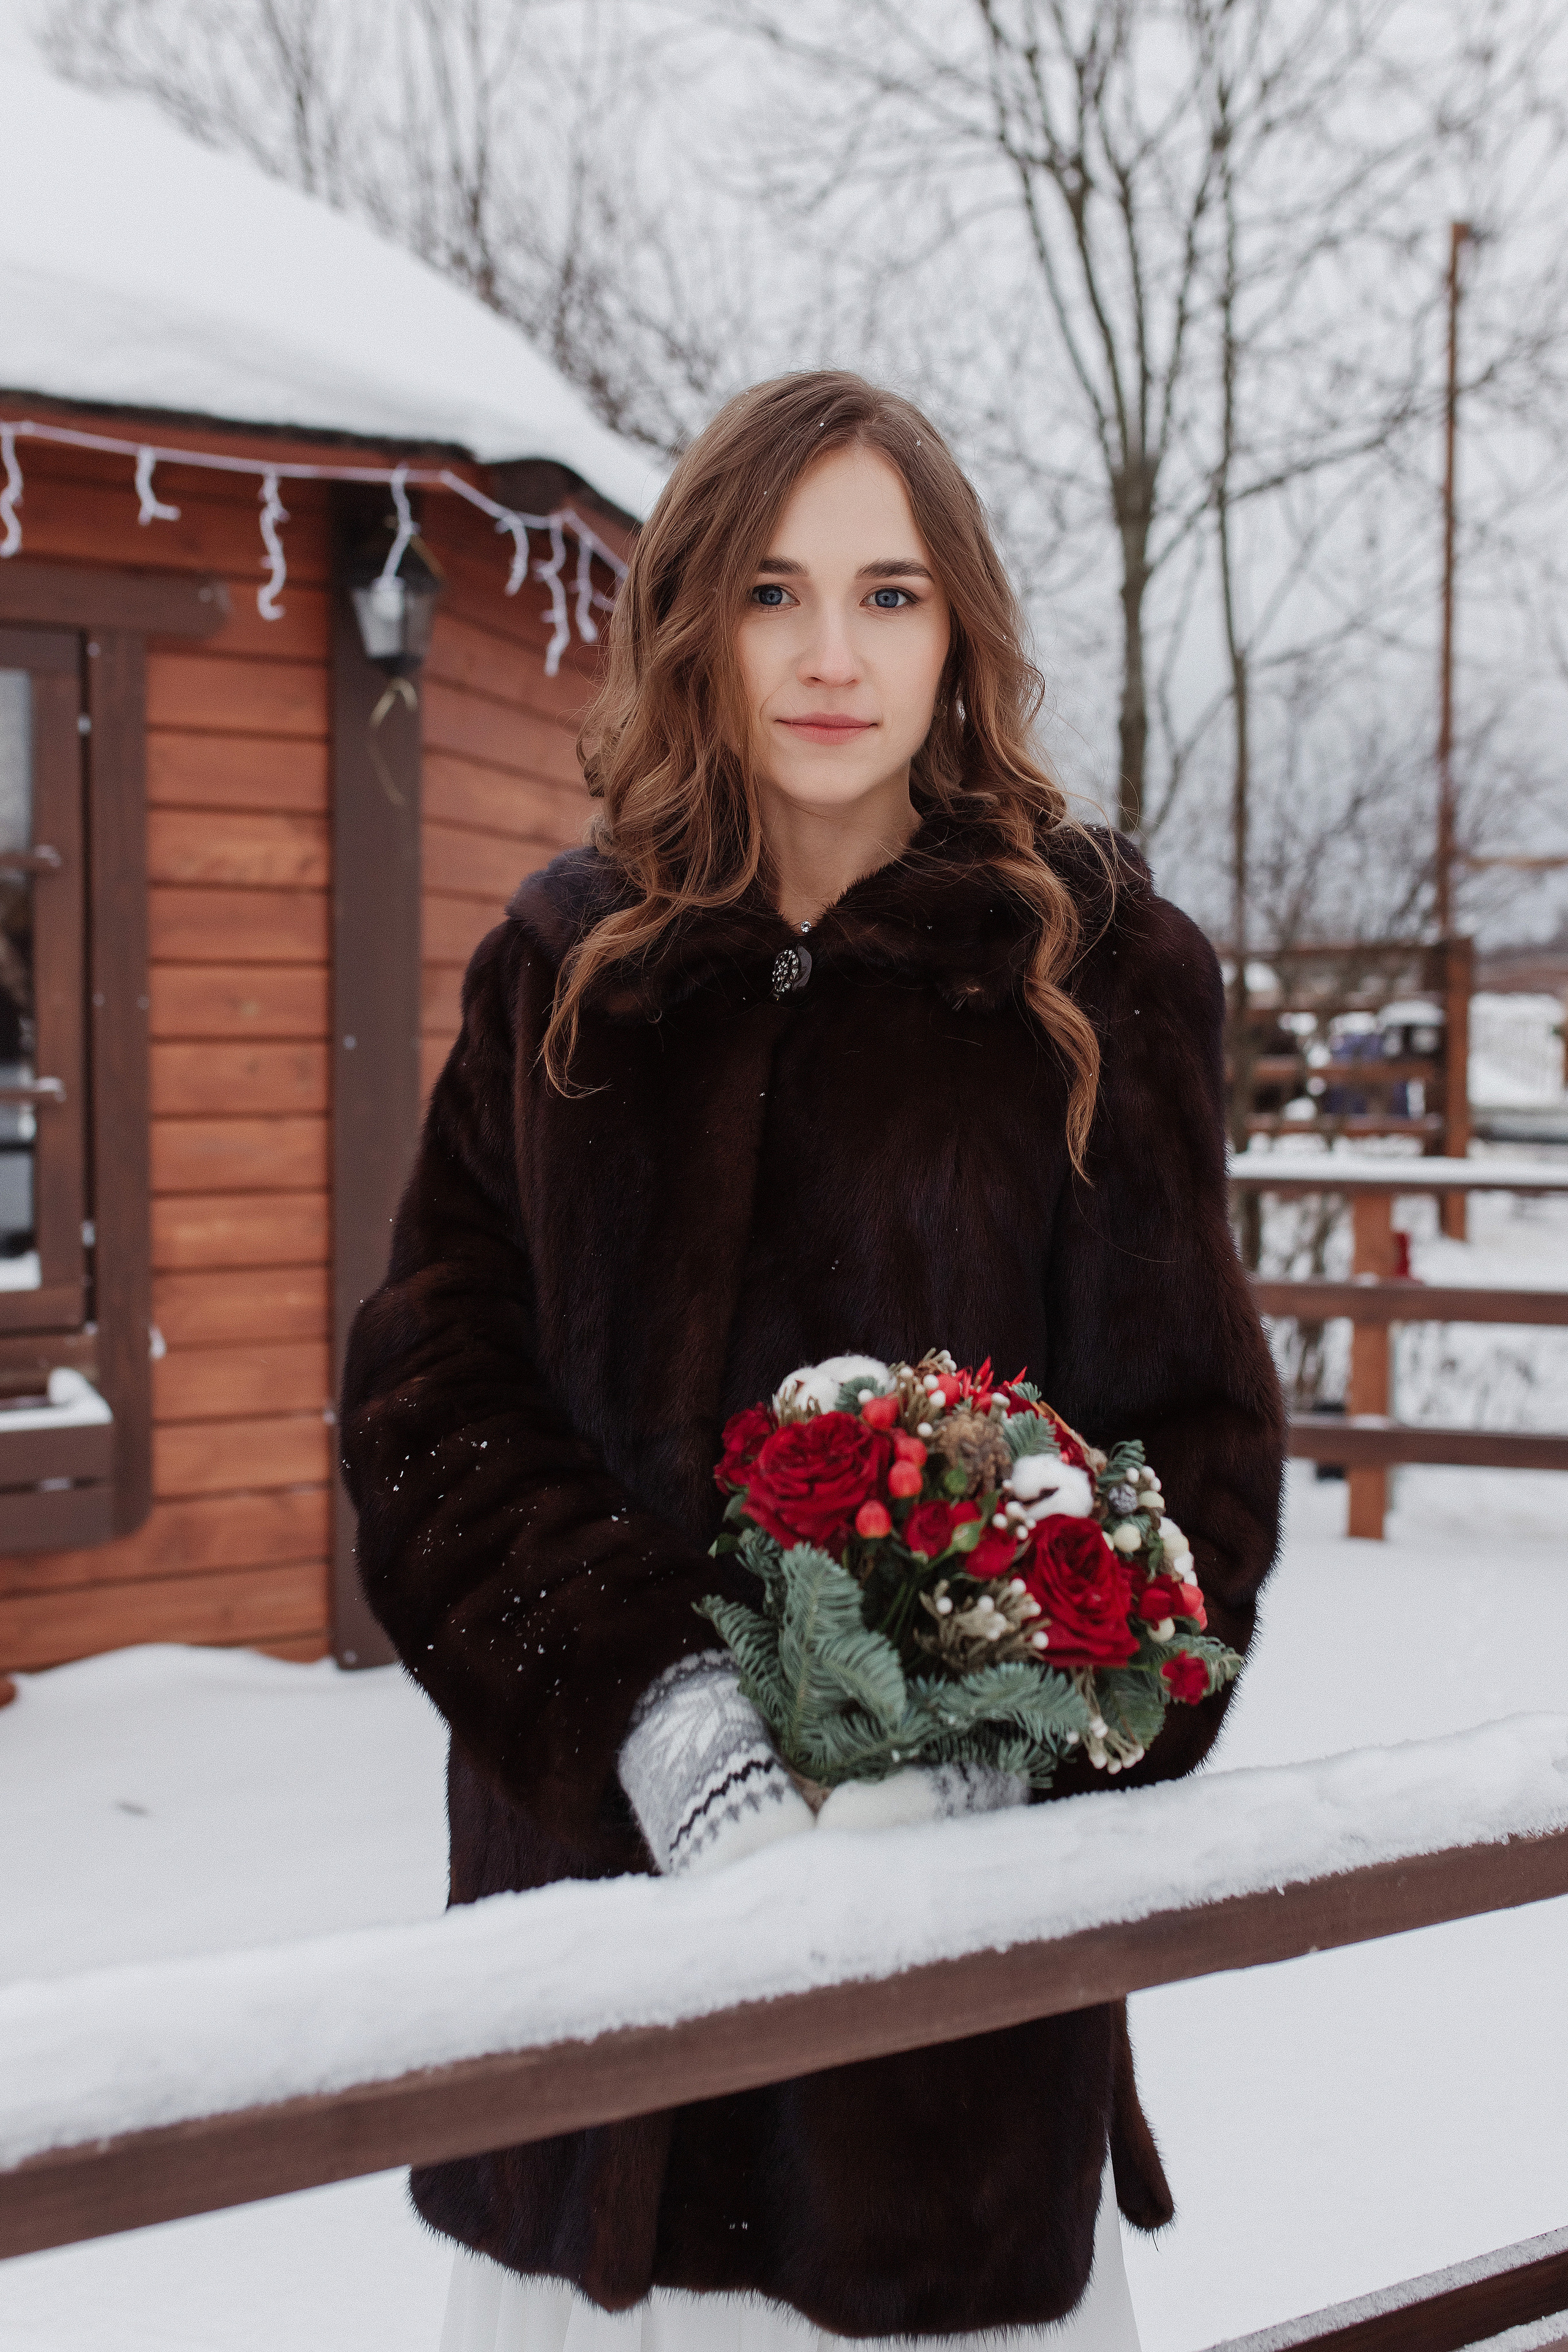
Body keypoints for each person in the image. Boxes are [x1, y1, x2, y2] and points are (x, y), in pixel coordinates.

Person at [340, 372, 1284, 2350]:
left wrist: (986, 1750)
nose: (833, 656)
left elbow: (1192, 1456)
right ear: (698, 618)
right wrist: (659, 1719)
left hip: (934, 2066)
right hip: (598, 1995)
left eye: (891, 594)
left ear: (960, 637)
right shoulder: (563, 974)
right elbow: (435, 1401)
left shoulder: (1100, 977)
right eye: (775, 594)